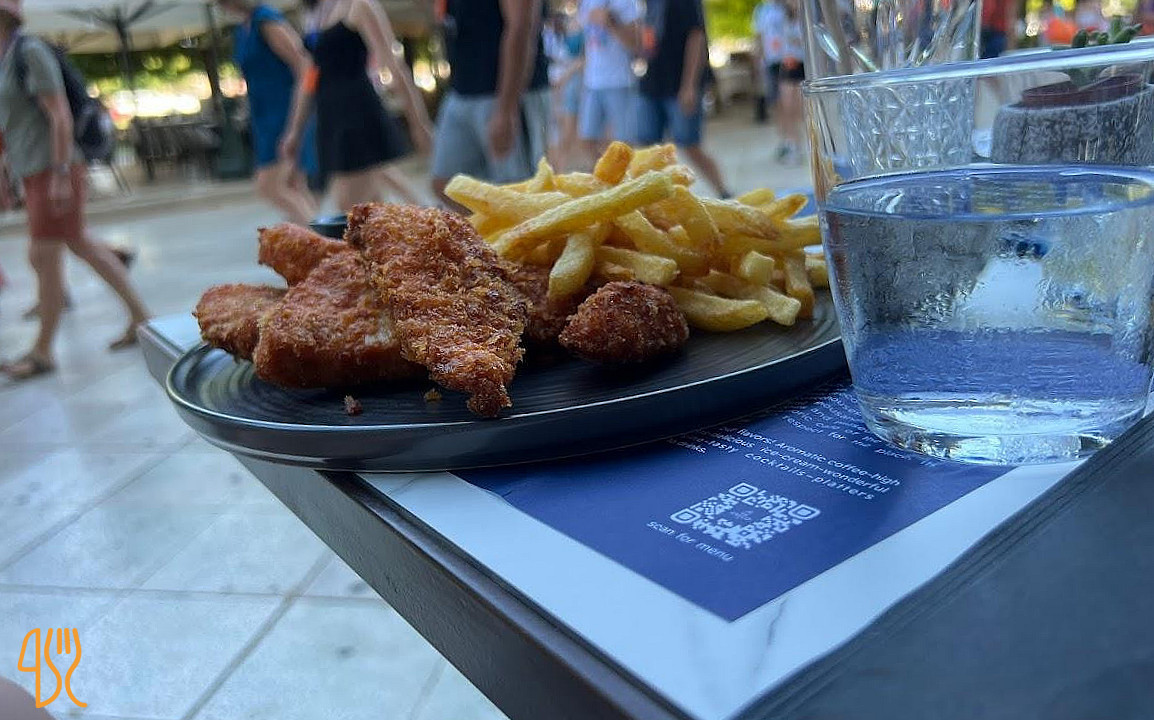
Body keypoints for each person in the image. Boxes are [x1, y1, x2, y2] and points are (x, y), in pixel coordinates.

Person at [0, 0, 150, 381]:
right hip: (35, 171)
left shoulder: (29, 51)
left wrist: (61, 172)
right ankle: (141, 317)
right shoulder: (7, 57)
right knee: (75, 245)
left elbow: (60, 115)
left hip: (53, 168)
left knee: (46, 253)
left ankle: (43, 352)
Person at [281, 0, 433, 211]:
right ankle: (423, 214)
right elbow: (308, 79)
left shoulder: (358, 6)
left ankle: (426, 215)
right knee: (367, 210)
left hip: (357, 113)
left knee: (350, 206)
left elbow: (393, 65)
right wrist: (294, 130)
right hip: (330, 118)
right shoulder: (312, 16)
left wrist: (419, 123)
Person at [431, 0, 551, 207]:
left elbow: (522, 25)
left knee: (518, 194)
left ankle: (513, 226)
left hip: (504, 93)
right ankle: (491, 227)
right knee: (446, 184)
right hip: (462, 89)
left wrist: (507, 110)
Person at [216, 0, 318, 224]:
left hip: (283, 113)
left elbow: (304, 65)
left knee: (270, 186)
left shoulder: (265, 20)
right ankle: (316, 236)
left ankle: (323, 239)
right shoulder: (243, 28)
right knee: (294, 186)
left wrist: (297, 120)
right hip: (262, 117)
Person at [637, 0, 731, 198]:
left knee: (689, 144)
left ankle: (724, 192)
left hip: (679, 83)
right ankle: (654, 200)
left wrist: (689, 85)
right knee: (647, 147)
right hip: (652, 83)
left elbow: (696, 37)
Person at [577, 0, 642, 160]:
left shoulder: (626, 2)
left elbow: (636, 43)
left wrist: (611, 22)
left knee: (624, 146)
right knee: (586, 140)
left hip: (619, 81)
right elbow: (589, 43)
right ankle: (608, 174)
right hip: (592, 82)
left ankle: (622, 174)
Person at [544, 12, 584, 172]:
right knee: (554, 131)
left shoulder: (573, 32)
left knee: (565, 129)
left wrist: (565, 77)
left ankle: (560, 167)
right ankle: (556, 168)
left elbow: (581, 60)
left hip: (567, 86)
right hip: (555, 87)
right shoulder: (551, 36)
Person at [774, 0, 805, 166]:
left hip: (802, 64)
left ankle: (805, 145)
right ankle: (793, 145)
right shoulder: (781, 18)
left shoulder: (806, 18)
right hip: (787, 65)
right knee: (788, 108)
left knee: (802, 109)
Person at [753, 0, 786, 110]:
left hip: (789, 57)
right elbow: (758, 35)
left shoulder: (786, 7)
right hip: (770, 58)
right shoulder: (762, 9)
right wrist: (759, 56)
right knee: (774, 94)